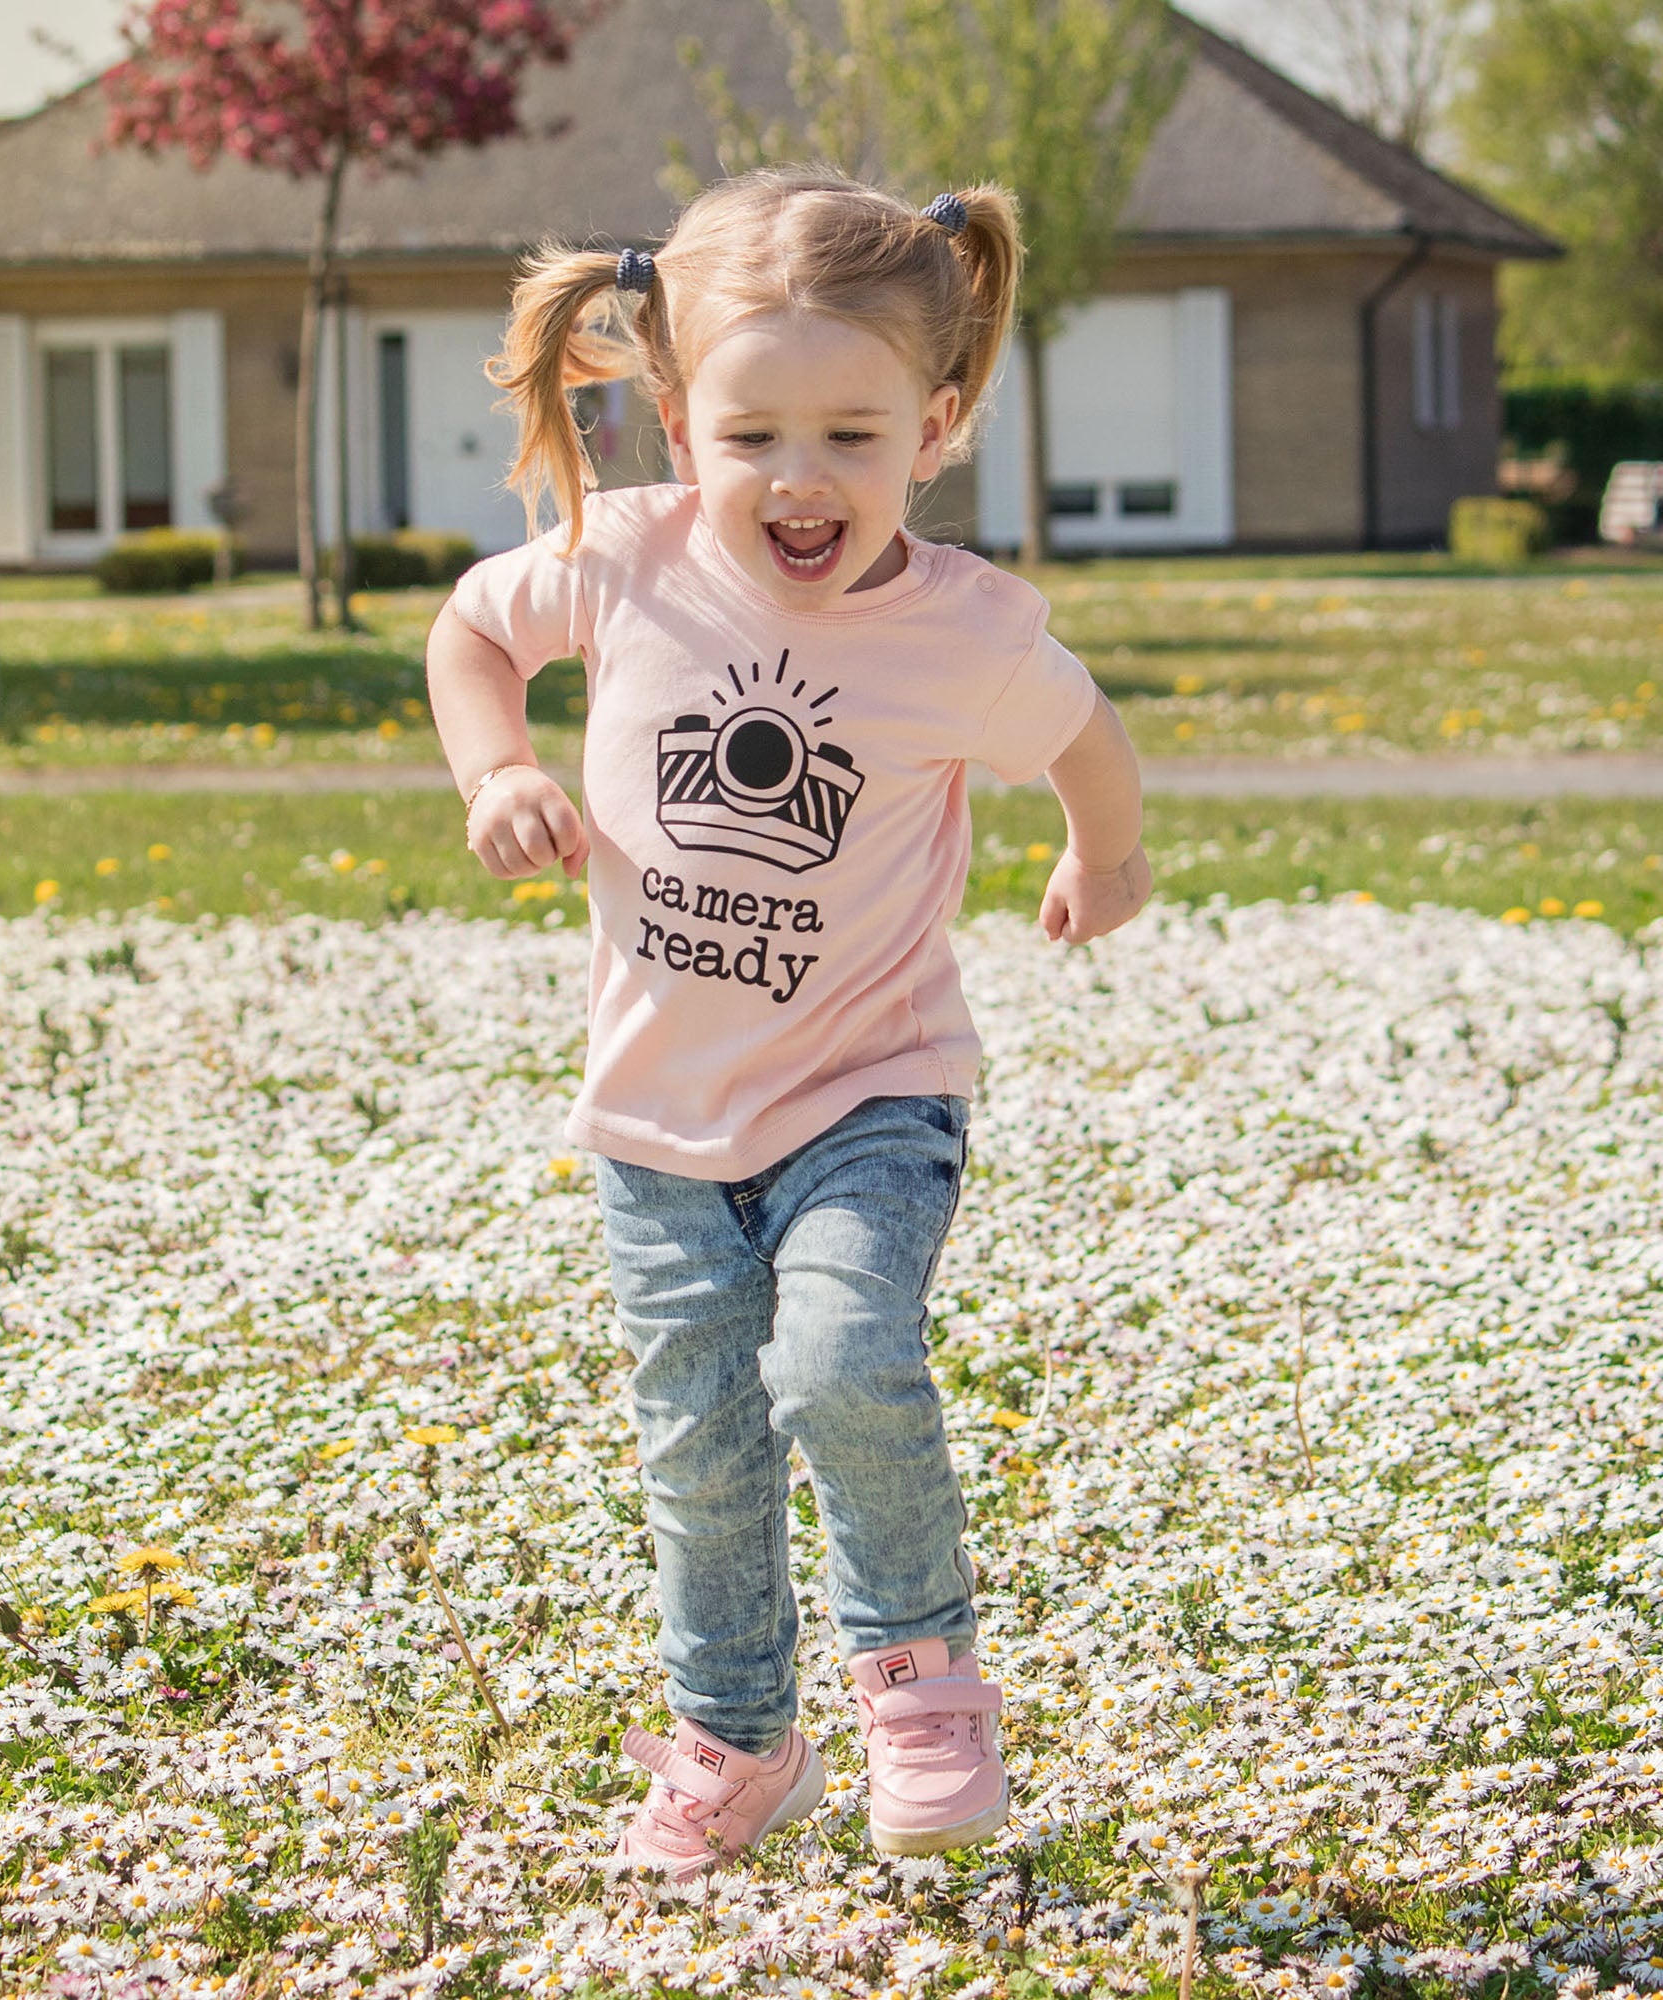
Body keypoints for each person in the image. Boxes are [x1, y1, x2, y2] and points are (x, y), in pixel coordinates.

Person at [426, 166, 1150, 1879]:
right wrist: (499, 769)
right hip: (658, 1126)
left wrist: (1105, 853)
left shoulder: (959, 629)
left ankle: (920, 1679)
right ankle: (739, 1740)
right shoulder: (621, 564)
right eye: (754, 438)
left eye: (852, 434)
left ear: (938, 421)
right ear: (678, 421)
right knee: (700, 1458)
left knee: (836, 1361)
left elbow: (1084, 734)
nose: (800, 480)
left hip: (869, 1097)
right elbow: (470, 634)